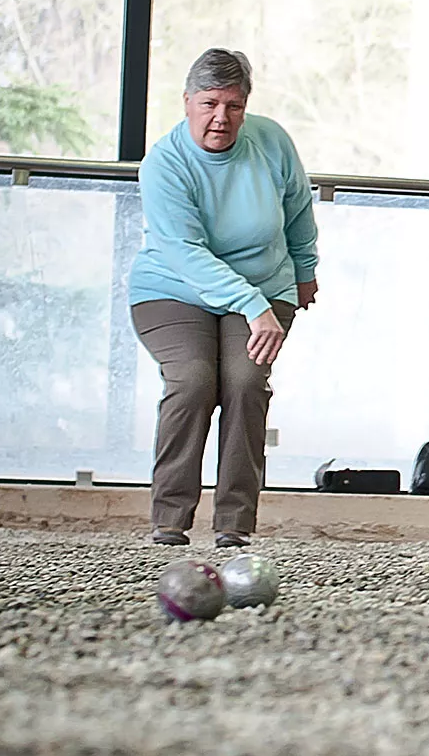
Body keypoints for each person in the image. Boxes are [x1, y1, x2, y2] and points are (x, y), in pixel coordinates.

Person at [128, 48, 318, 548]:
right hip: (172, 289)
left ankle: (234, 522)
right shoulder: (164, 164)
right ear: (187, 101)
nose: (221, 117)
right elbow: (185, 253)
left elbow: (298, 209)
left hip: (263, 284)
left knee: (245, 382)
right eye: (209, 103)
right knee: (193, 380)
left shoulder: (270, 140)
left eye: (234, 105)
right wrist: (253, 306)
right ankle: (170, 516)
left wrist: (305, 271)